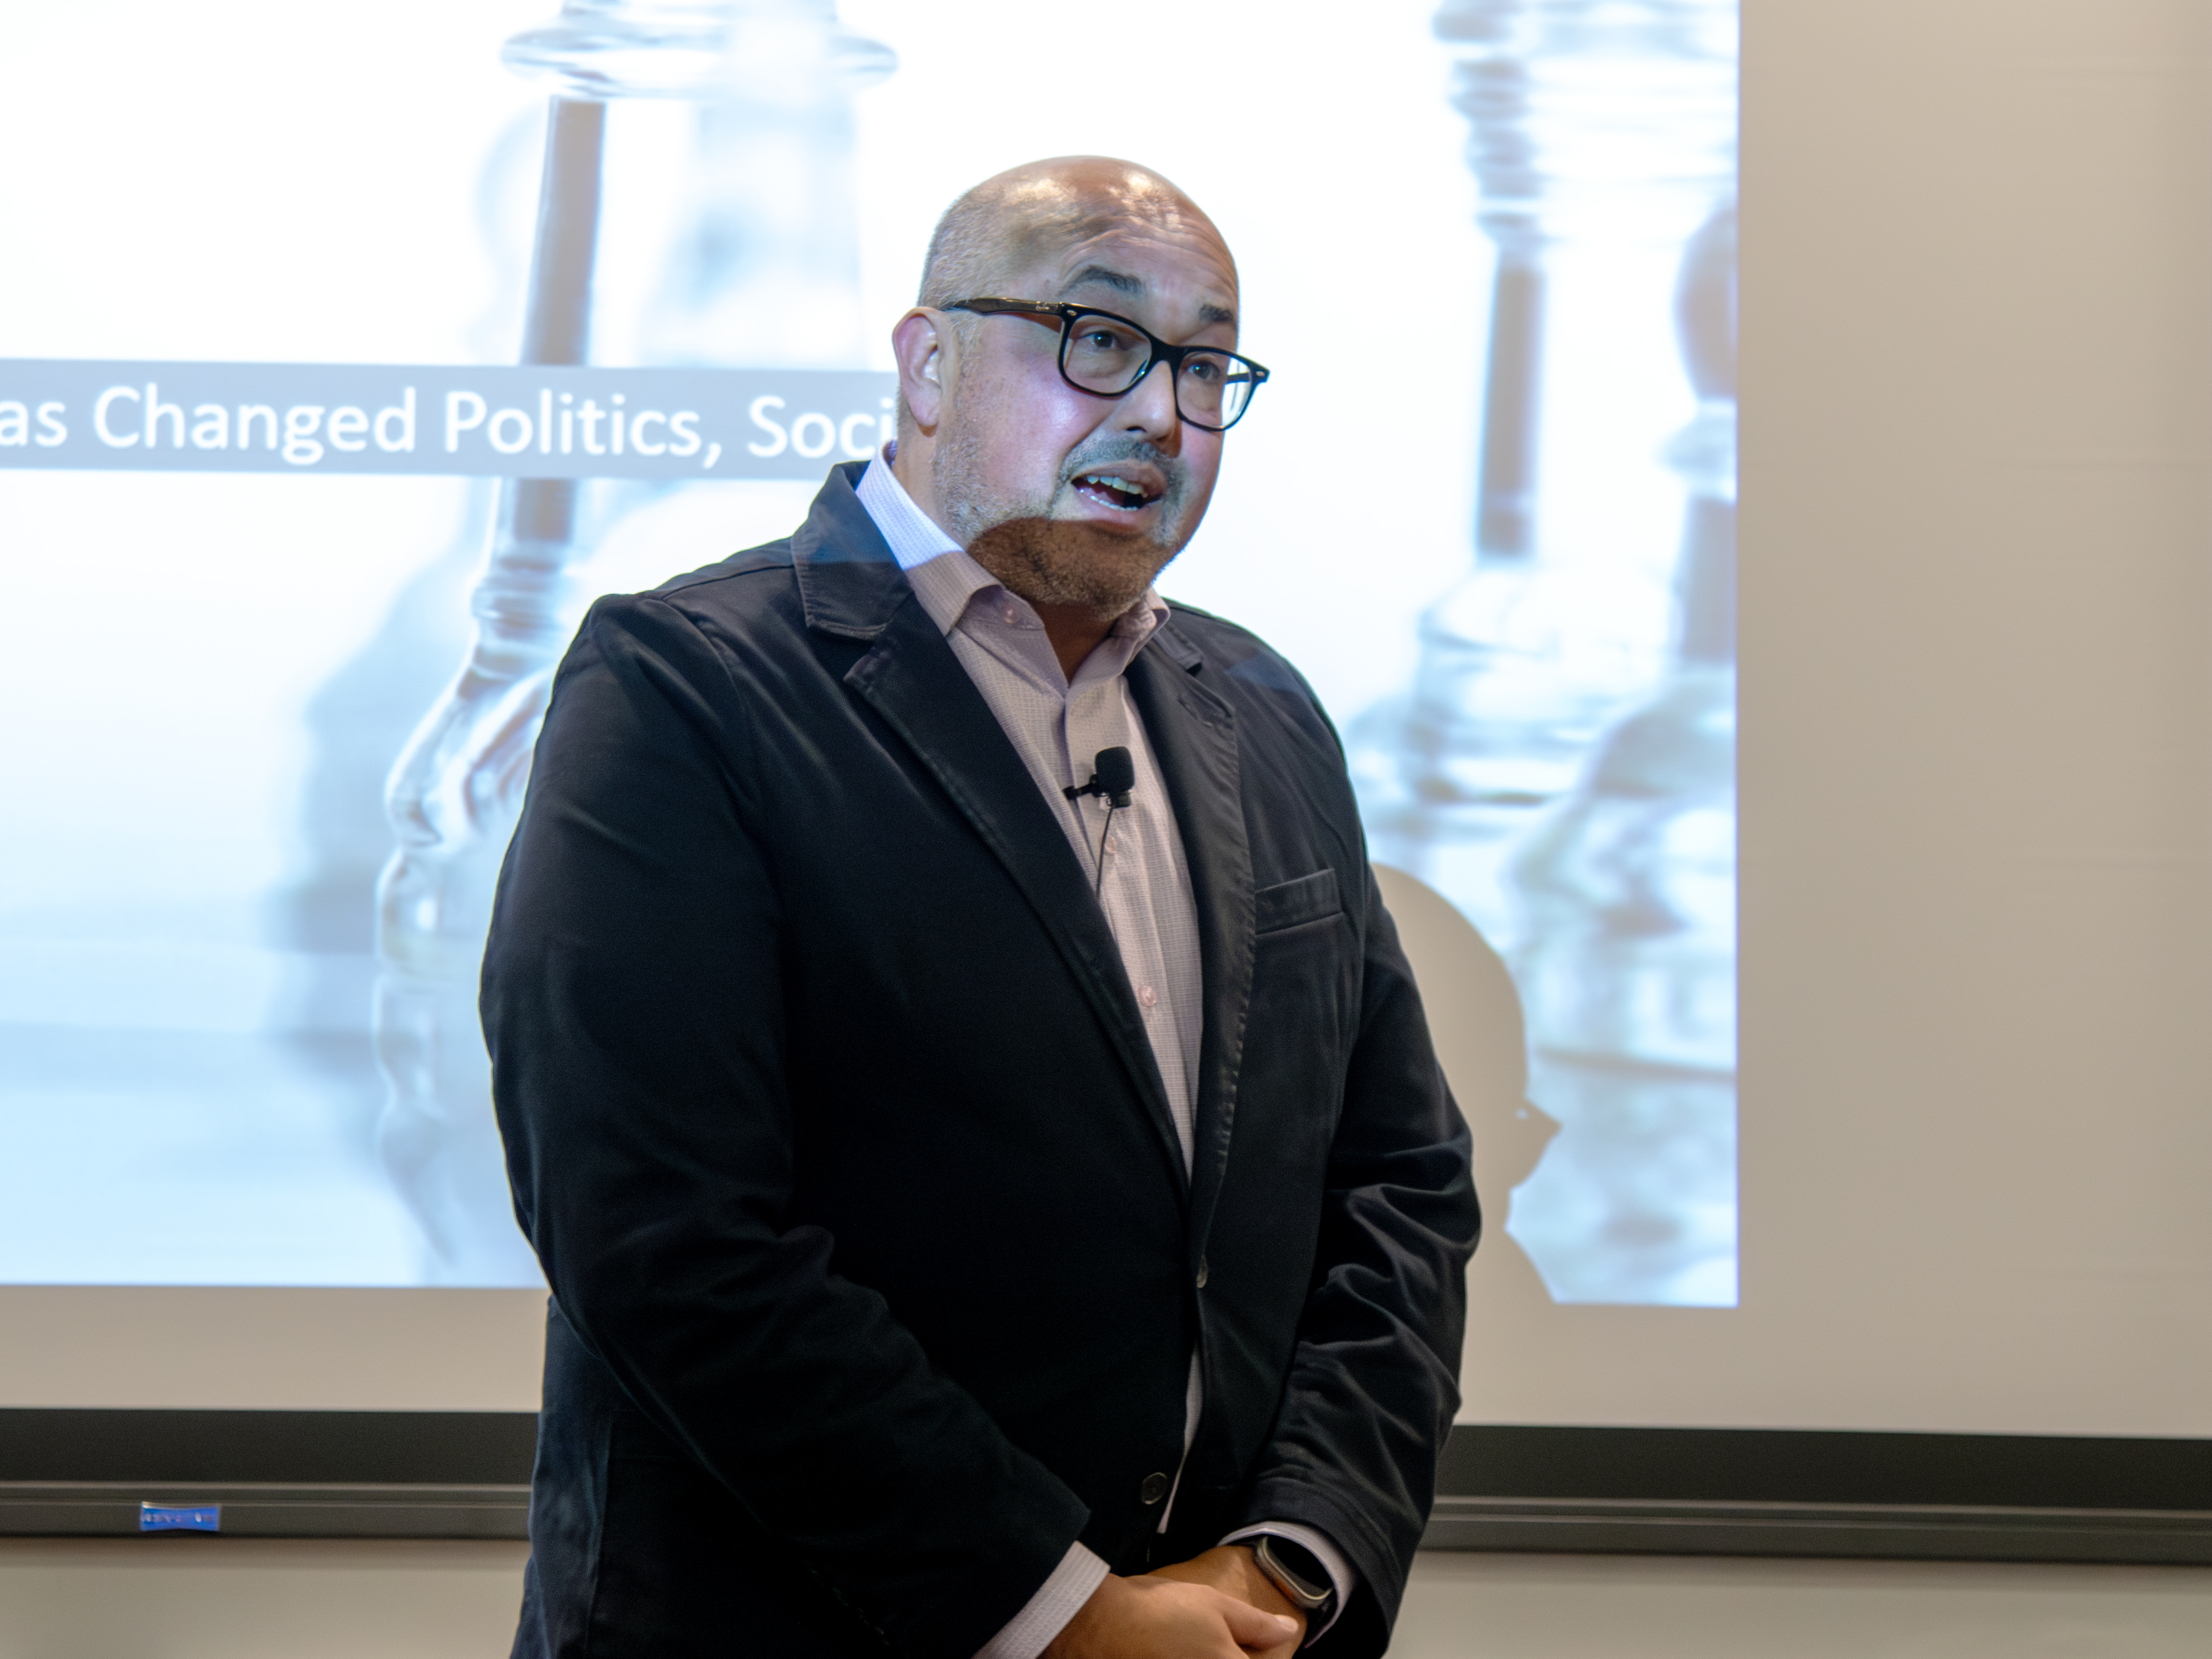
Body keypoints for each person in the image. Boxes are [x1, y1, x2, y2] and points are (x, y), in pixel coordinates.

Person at [483, 155, 1480, 1659]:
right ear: (927, 362)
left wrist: (1295, 1556)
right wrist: (1062, 1612)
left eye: (1205, 366)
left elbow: (1398, 1179)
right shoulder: (684, 686)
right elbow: (661, 1231)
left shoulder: (1262, 708)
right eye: (1098, 336)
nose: (1157, 412)